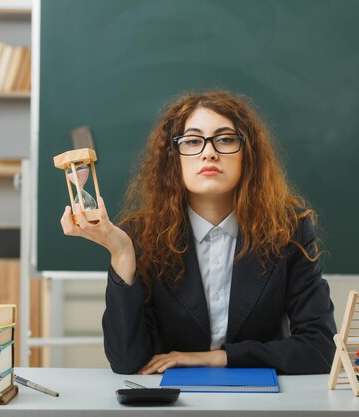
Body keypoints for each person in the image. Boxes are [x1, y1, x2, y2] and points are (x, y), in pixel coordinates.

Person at [60, 90, 336, 375]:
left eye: (226, 139)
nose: (209, 152)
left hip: (263, 402)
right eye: (192, 141)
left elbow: (321, 348)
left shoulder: (288, 229)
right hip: (175, 403)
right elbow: (127, 361)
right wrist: (121, 253)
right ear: (173, 159)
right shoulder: (140, 236)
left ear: (248, 155)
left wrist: (215, 358)